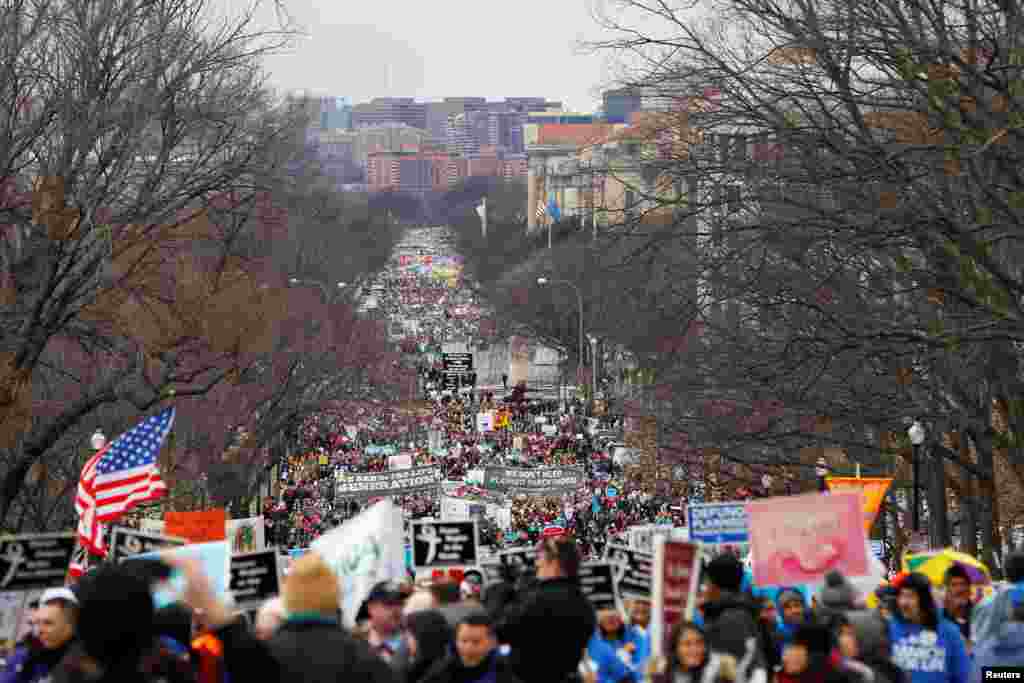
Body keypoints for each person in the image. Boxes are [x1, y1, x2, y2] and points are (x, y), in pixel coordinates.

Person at [501, 535, 597, 683]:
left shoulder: (536, 600)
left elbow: (503, 629)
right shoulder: (583, 602)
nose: (537, 563)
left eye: (541, 558)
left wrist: (508, 592)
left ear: (555, 562)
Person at [888, 572, 969, 683]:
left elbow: (963, 676)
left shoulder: (949, 632)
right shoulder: (889, 628)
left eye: (910, 596)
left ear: (925, 600)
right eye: (901, 596)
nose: (903, 602)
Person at [700, 555, 765, 669]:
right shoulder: (734, 611)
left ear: (714, 585)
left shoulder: (732, 618)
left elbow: (734, 667)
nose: (705, 587)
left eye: (707, 581)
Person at [2, 588, 78, 683]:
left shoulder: (81, 660)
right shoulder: (22, 654)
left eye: (47, 622)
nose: (37, 630)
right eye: (32, 624)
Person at [421, 612, 522, 683]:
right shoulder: (441, 671)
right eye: (463, 641)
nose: (469, 647)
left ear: (492, 643)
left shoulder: (504, 668)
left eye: (476, 642)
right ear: (455, 641)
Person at [650, 621, 737, 683]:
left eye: (699, 642)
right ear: (675, 648)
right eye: (687, 644)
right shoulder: (661, 675)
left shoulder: (719, 676)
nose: (695, 649)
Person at [835, 611, 905, 683]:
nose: (842, 640)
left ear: (866, 638)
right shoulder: (844, 669)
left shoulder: (885, 675)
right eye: (841, 633)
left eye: (849, 634)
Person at [586, 608, 650, 683]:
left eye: (613, 617)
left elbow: (640, 672)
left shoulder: (637, 636)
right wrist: (622, 653)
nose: (610, 620)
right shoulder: (594, 645)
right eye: (606, 618)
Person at [401, 610, 453, 683]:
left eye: (410, 634)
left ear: (423, 638)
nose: (405, 638)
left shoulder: (439, 674)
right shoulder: (421, 665)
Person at [940, 565, 973, 646]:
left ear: (969, 588)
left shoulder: (979, 614)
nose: (959, 589)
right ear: (947, 590)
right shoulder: (939, 618)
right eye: (954, 585)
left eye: (963, 584)